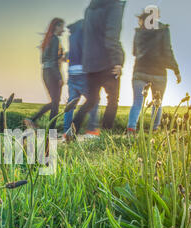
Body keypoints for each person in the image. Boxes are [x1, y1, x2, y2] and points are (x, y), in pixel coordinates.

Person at [68, 0, 125, 139]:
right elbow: (112, 35)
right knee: (113, 99)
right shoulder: (114, 6)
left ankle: (71, 130)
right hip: (107, 61)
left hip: (90, 64)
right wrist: (118, 60)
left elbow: (88, 37)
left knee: (91, 100)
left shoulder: (90, 9)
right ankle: (106, 136)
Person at [127, 9, 181, 133]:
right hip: (159, 73)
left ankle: (131, 128)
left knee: (137, 102)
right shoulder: (163, 30)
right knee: (157, 103)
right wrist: (176, 70)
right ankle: (154, 130)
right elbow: (168, 51)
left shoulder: (139, 32)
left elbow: (135, 52)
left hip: (140, 71)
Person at [24, 18, 65, 130]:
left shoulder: (47, 40)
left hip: (46, 72)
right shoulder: (55, 39)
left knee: (55, 103)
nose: (63, 30)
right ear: (56, 27)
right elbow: (52, 60)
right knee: (55, 103)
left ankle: (49, 129)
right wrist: (59, 77)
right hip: (52, 73)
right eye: (62, 27)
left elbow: (45, 60)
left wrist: (62, 58)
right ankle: (33, 119)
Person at [64, 19, 100, 140]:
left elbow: (68, 55)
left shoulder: (71, 37)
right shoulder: (83, 35)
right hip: (83, 72)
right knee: (94, 100)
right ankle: (92, 131)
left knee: (71, 104)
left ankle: (67, 132)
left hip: (71, 73)